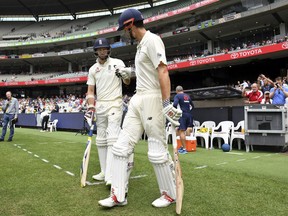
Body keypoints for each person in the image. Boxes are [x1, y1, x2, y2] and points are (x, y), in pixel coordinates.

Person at [98, 8, 182, 208]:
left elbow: (163, 70)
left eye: (124, 29)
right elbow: (146, 70)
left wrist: (165, 102)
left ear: (130, 25)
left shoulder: (152, 40)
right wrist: (129, 72)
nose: (123, 34)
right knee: (120, 147)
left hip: (152, 98)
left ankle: (169, 194)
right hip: (138, 97)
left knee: (156, 149)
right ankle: (118, 195)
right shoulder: (140, 46)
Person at [85, 37, 131, 186]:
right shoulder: (93, 69)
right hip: (101, 105)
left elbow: (127, 82)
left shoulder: (118, 63)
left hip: (115, 103)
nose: (102, 51)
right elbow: (90, 91)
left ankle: (111, 175)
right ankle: (104, 171)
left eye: (104, 48)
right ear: (96, 51)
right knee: (101, 139)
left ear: (108, 50)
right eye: (99, 49)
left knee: (112, 138)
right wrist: (91, 106)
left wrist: (125, 76)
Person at [173, 86, 194, 154]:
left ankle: (185, 149)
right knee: (180, 130)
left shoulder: (177, 96)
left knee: (181, 131)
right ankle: (182, 146)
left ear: (176, 91)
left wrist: (176, 111)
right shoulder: (187, 96)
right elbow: (192, 106)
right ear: (183, 90)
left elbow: (175, 104)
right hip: (189, 115)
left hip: (182, 115)